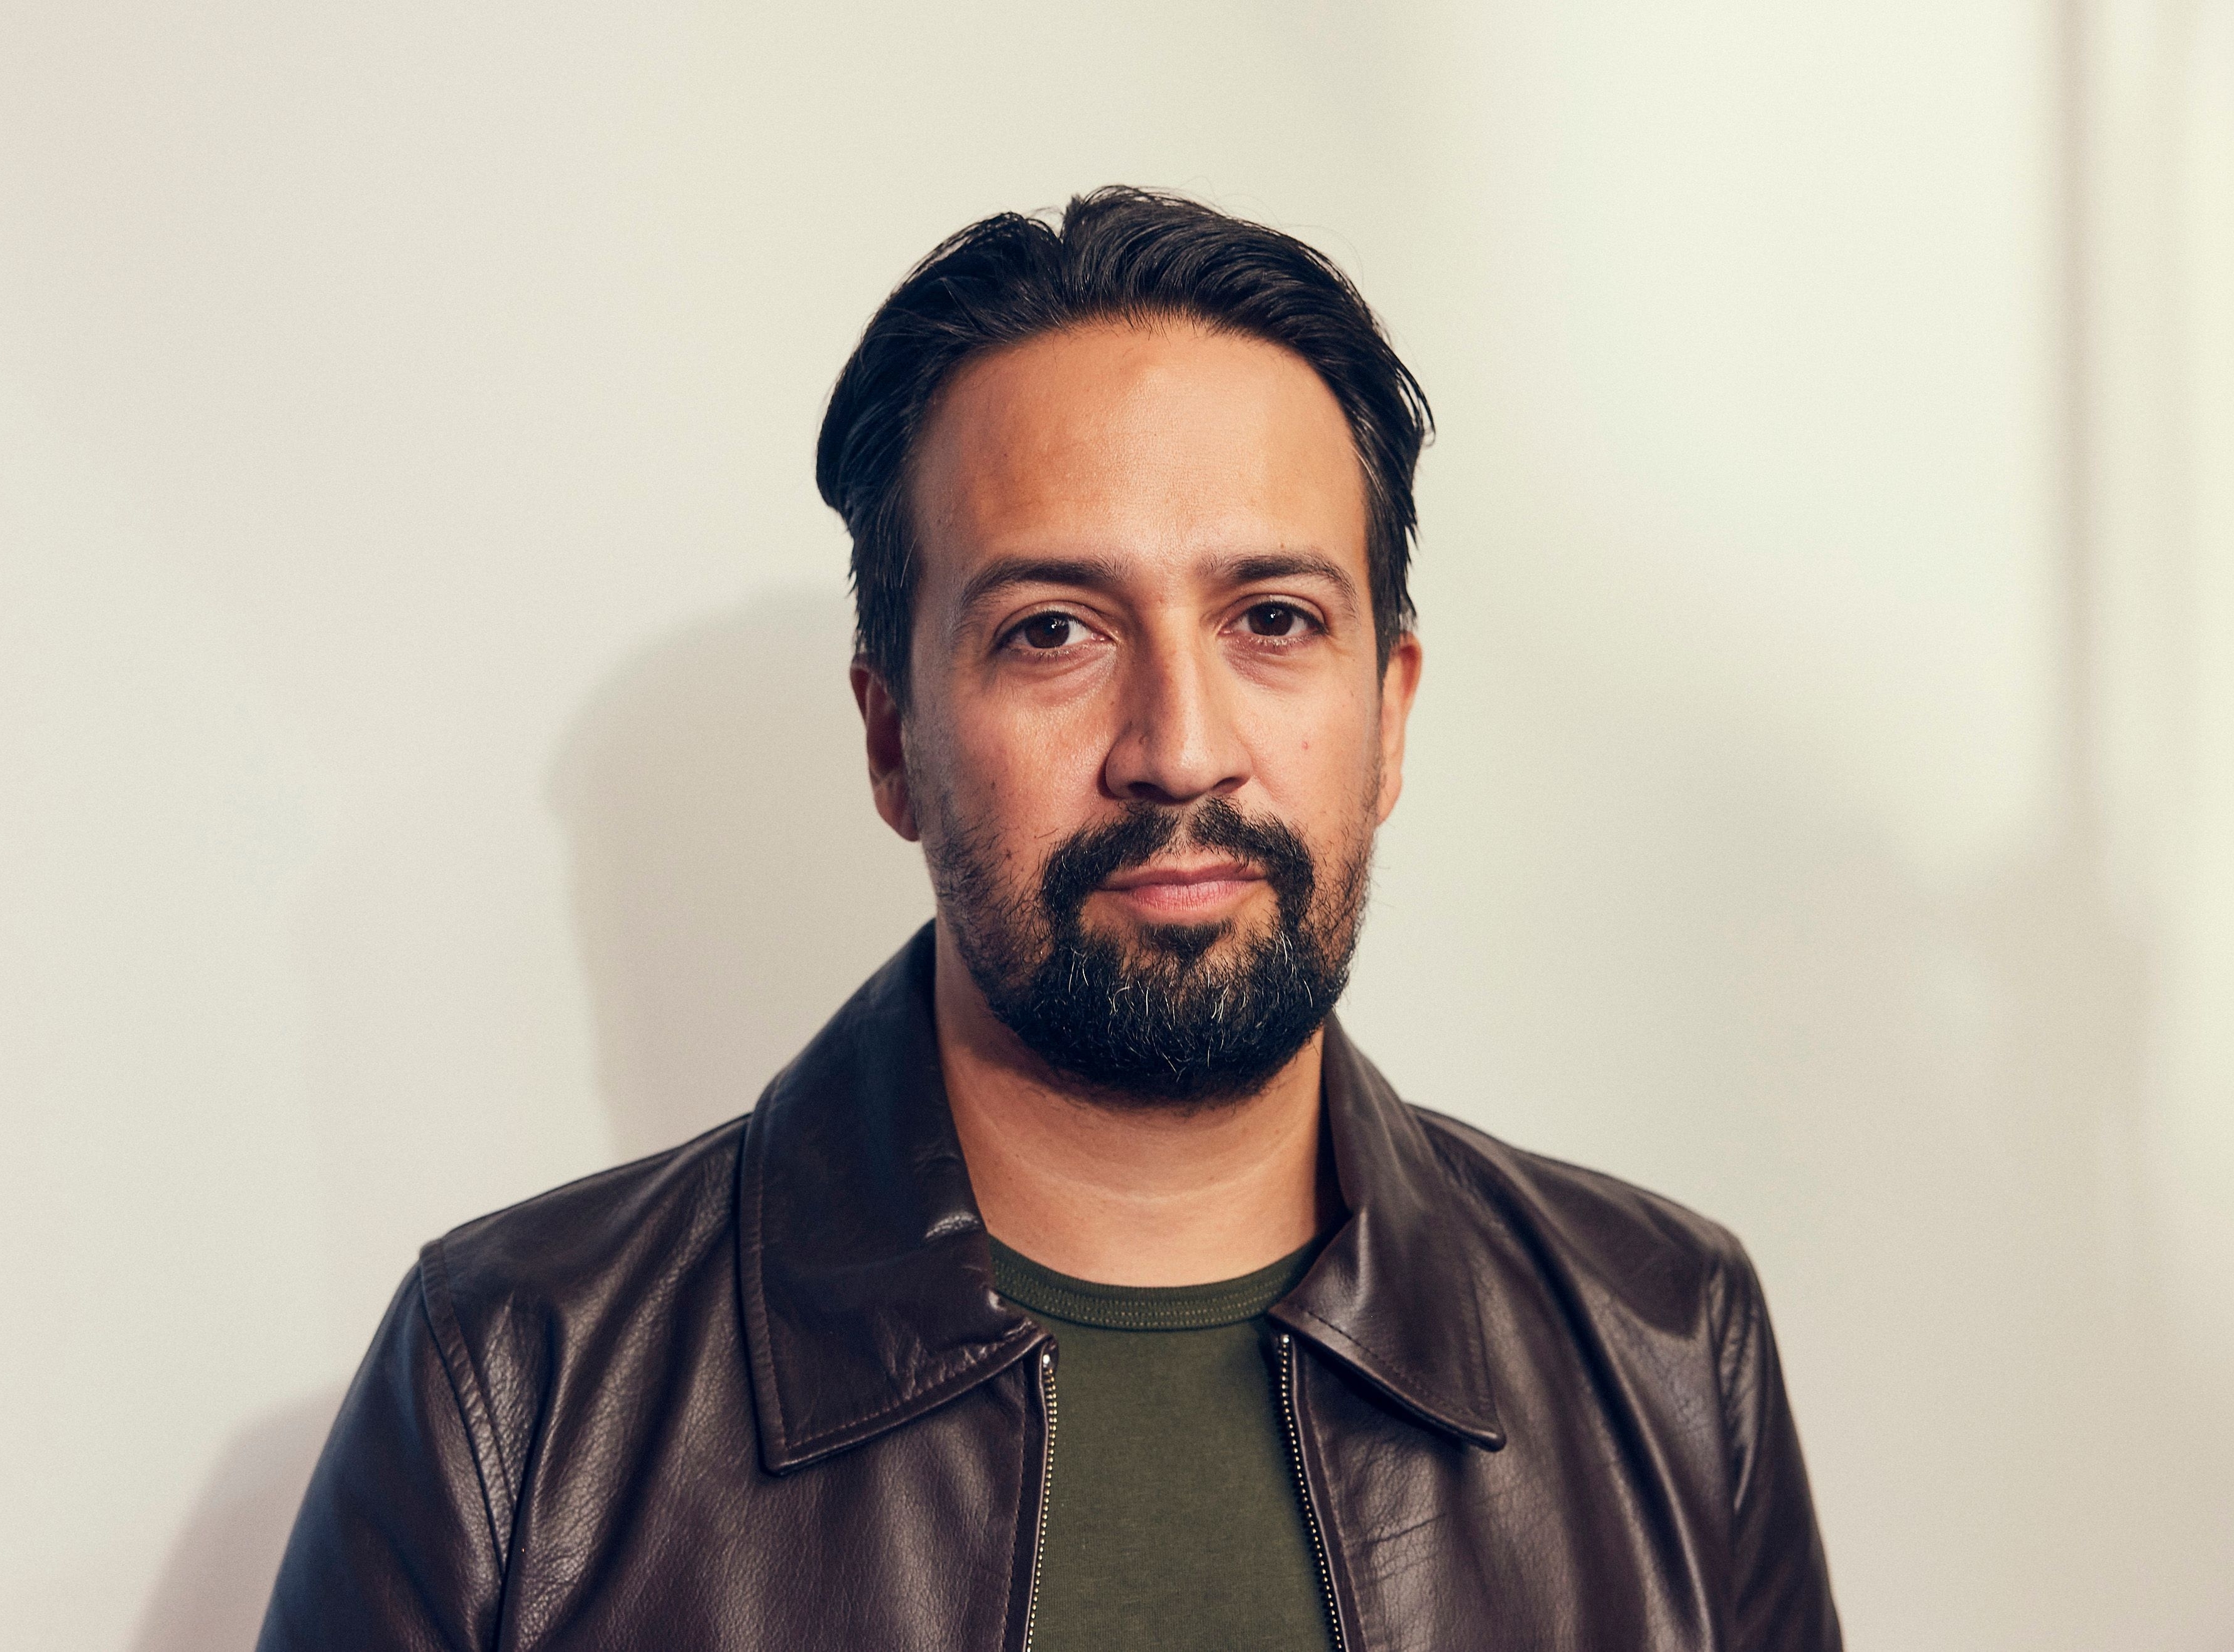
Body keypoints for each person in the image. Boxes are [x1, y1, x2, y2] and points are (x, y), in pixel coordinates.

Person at [259, 186, 1841, 1651]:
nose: (1179, 745)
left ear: (1392, 712)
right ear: (893, 739)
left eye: (1273, 620)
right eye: (1053, 631)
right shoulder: (517, 1397)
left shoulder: (1666, 1347)